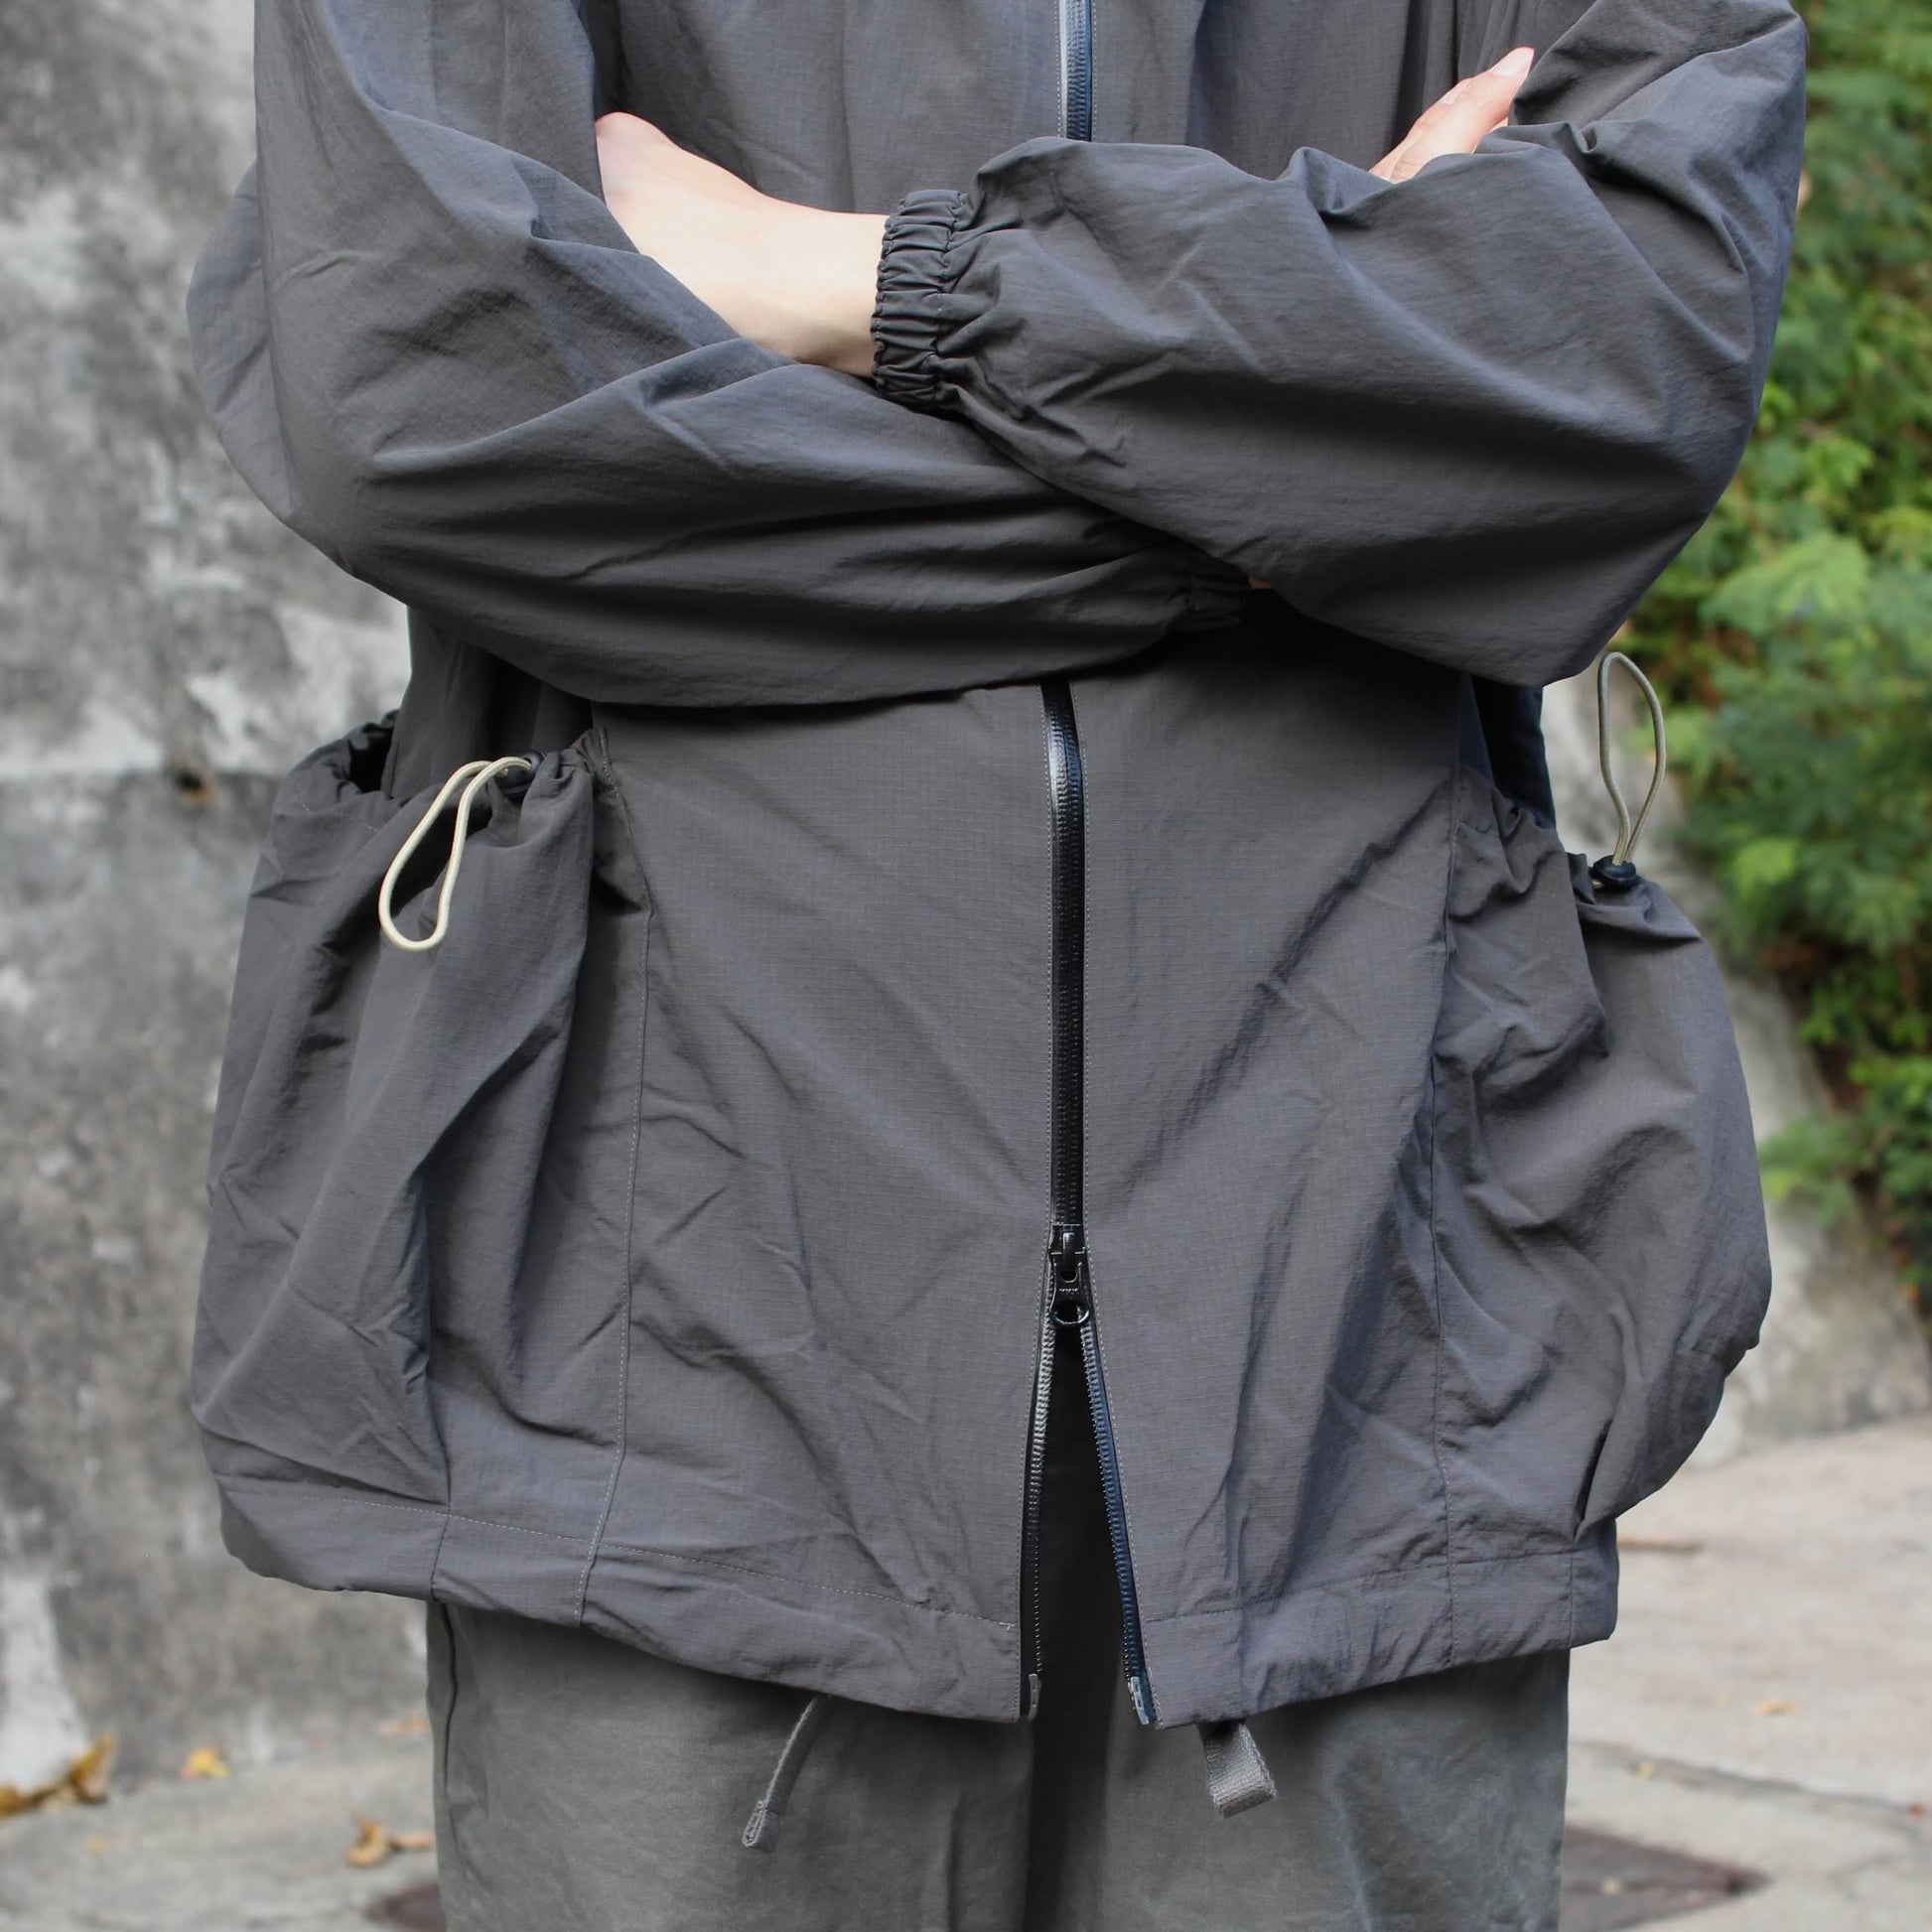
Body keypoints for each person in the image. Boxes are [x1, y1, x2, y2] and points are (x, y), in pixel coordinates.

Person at [186, 0, 1806, 1925]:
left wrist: (860, 285)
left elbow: (1624, 350)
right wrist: (1285, 481)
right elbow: (424, 375)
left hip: (1362, 1320)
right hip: (668, 1328)